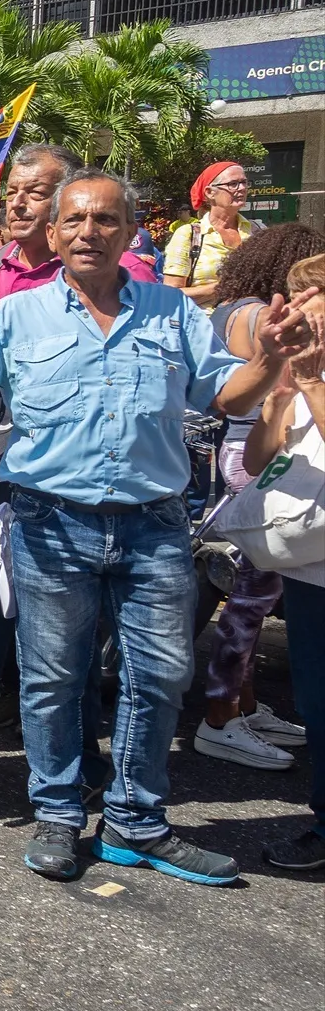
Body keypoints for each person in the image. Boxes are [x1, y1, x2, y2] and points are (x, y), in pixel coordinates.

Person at [0, 168, 313, 885]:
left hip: (153, 524)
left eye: (105, 221)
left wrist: (273, 356)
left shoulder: (171, 311)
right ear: (55, 234)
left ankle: (134, 822)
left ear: (128, 232)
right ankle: (58, 813)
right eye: (75, 221)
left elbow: (225, 392)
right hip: (49, 524)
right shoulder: (13, 315)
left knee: (158, 676)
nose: (89, 232)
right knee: (52, 678)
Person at [0, 143, 156, 782]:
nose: (17, 202)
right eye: (13, 190)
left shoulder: (128, 277)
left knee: (68, 624)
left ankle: (77, 760)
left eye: (36, 192)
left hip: (77, 481)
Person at [193, 224, 325, 769]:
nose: (303, 315)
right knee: (248, 599)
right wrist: (281, 400)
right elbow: (254, 460)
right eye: (300, 301)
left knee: (246, 599)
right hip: (303, 545)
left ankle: (235, 707)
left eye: (313, 303)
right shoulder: (286, 349)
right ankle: (224, 712)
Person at [241, 280, 325, 871]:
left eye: (314, 320)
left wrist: (314, 381)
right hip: (309, 570)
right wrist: (279, 395)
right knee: (317, 703)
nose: (304, 329)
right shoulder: (298, 380)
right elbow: (254, 463)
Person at [165, 161, 260, 309]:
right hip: (204, 326)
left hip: (252, 324)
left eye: (244, 182)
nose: (241, 188)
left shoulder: (257, 231)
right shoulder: (189, 234)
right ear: (210, 192)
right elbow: (170, 295)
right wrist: (222, 287)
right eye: (233, 184)